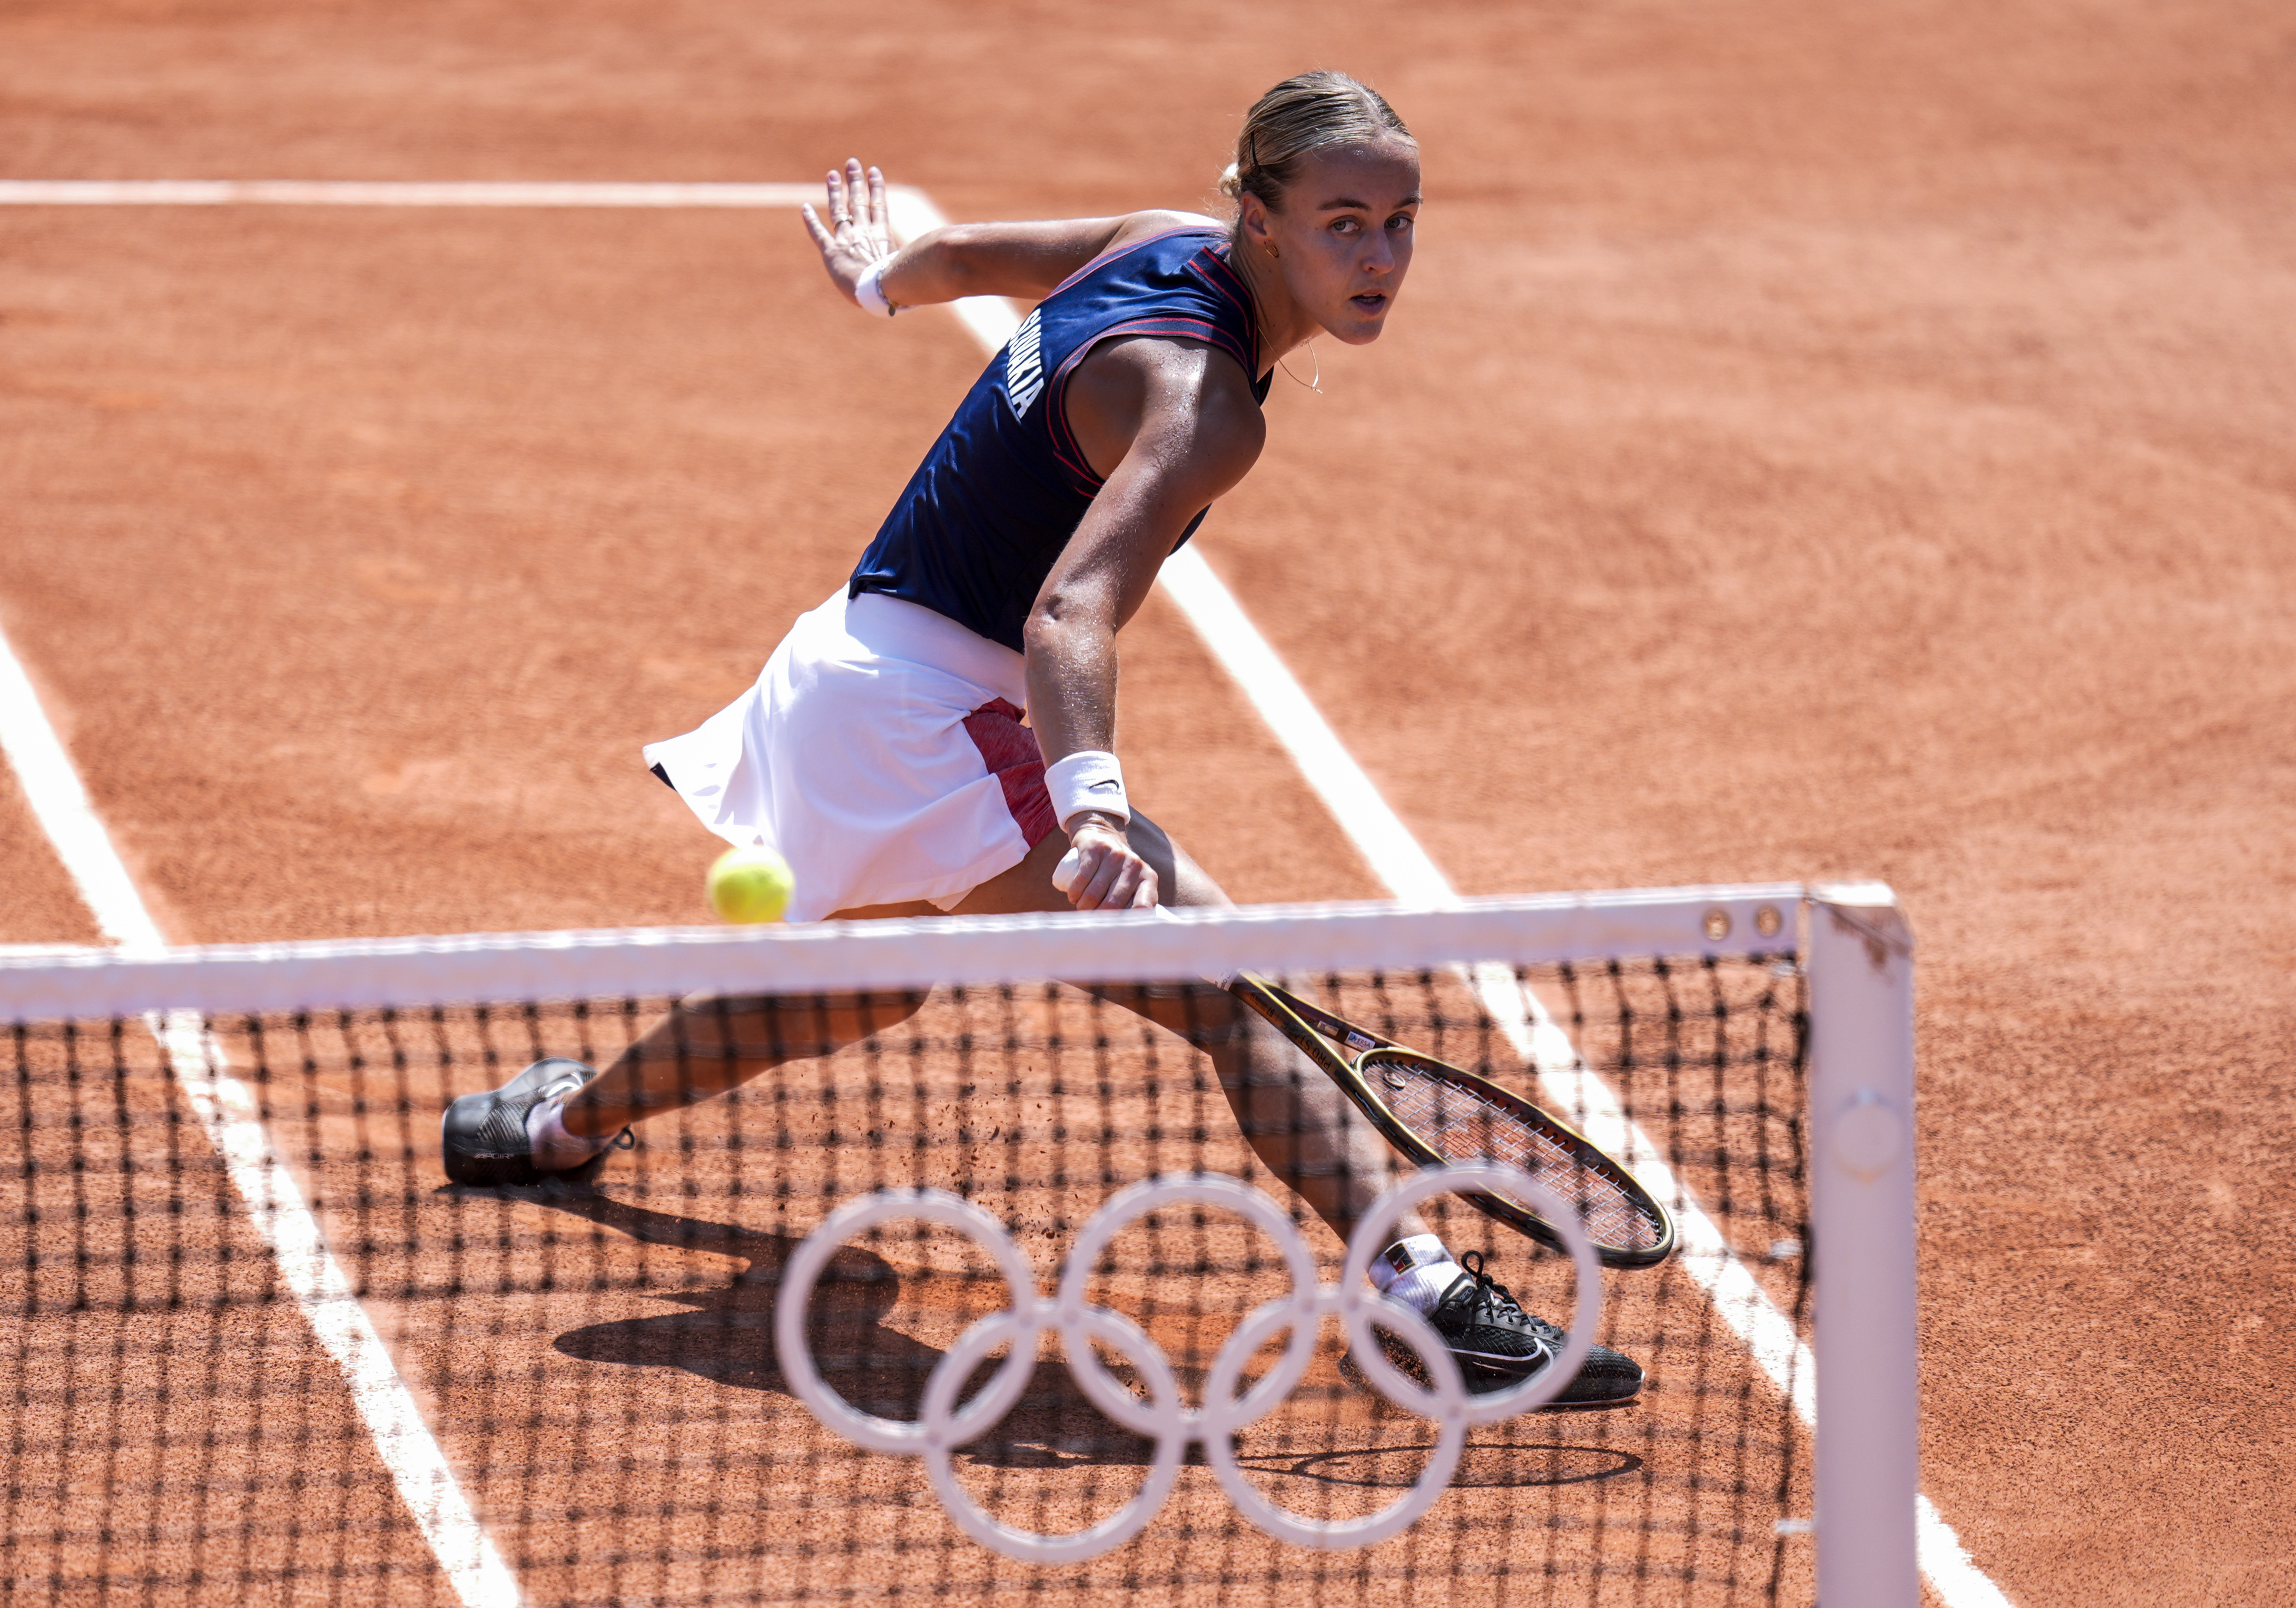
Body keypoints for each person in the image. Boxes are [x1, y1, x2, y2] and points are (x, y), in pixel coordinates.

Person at [442, 72, 1641, 1406]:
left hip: (852, 662)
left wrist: (871, 282)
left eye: (1400, 220)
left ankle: (557, 1127)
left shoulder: (1146, 238)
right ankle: (1425, 1295)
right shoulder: (1204, 405)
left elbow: (954, 260)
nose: (1378, 257)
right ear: (1256, 218)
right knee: (1232, 989)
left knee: (850, 986)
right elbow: (1070, 609)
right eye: (1341, 221)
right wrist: (1091, 810)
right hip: (929, 721)